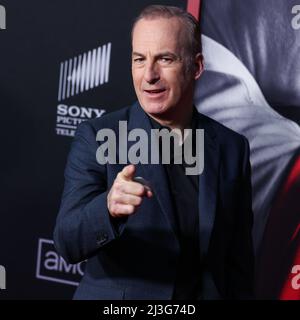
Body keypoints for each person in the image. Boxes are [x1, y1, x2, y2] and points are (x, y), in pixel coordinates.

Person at [53, 5, 254, 300]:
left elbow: (239, 262)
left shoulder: (231, 147)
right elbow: (67, 242)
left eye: (165, 59)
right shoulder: (98, 136)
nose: (149, 75)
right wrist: (107, 207)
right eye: (139, 59)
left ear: (196, 66)